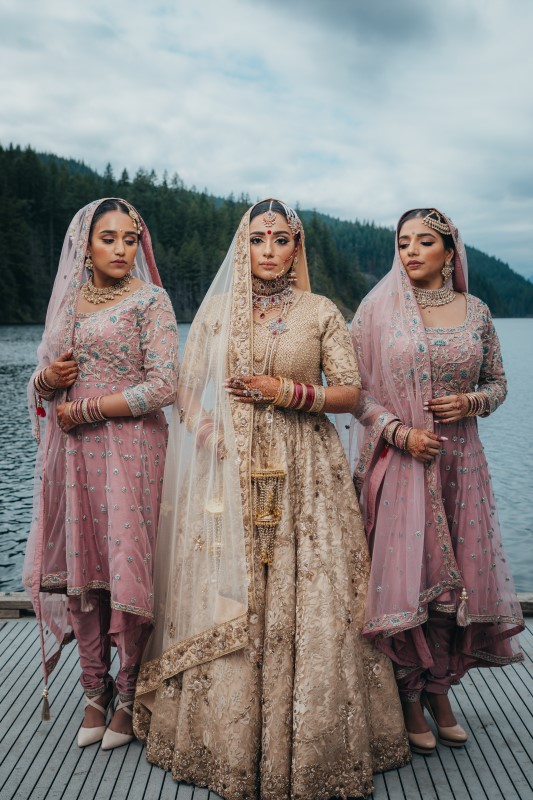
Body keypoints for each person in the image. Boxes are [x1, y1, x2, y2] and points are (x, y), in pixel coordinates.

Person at [133, 199, 410, 800]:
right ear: (243, 244)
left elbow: (349, 392)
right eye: (258, 239)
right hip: (231, 471)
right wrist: (212, 436)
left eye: (281, 240)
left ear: (296, 248)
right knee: (229, 588)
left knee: (309, 588)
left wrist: (284, 391)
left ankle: (310, 745)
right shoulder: (216, 316)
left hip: (305, 469)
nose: (269, 250)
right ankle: (222, 739)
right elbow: (185, 392)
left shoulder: (320, 312)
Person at [350, 208, 524, 755]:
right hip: (403, 462)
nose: (411, 251)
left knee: (459, 581)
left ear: (451, 252)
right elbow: (354, 391)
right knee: (408, 579)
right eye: (403, 242)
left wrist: (471, 401)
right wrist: (398, 433)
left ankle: (440, 690)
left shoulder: (476, 312)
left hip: (461, 464)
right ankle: (407, 694)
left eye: (425, 241)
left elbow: (497, 383)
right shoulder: (377, 311)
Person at [24, 198, 179, 750]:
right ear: (84, 246)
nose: (120, 249)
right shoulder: (67, 304)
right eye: (108, 238)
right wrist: (46, 380)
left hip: (132, 451)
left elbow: (165, 385)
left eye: (129, 240)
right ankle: (94, 690)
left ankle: (131, 691)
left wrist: (89, 408)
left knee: (126, 567)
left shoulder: (151, 301)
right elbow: (43, 383)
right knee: (81, 569)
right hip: (73, 457)